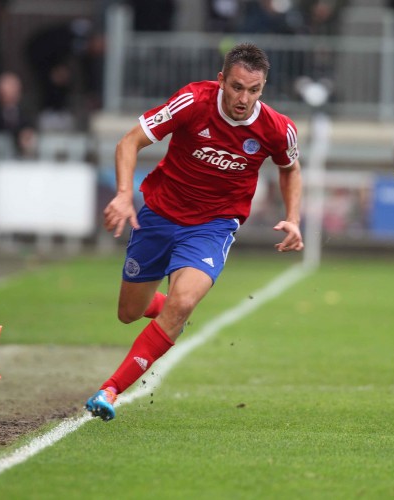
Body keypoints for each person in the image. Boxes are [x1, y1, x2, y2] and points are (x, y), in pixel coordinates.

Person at [85, 43, 304, 422]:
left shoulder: (278, 128)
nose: (244, 98)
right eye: (237, 87)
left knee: (184, 302)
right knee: (129, 312)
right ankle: (162, 309)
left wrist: (294, 217)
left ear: (263, 88)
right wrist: (123, 195)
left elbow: (290, 168)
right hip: (159, 213)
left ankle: (110, 389)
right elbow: (129, 141)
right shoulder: (192, 101)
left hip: (214, 225)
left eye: (254, 90)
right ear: (221, 80)